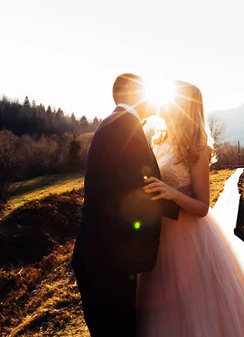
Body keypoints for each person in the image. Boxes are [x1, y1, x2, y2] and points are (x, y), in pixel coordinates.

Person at [137, 80, 244, 337]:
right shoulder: (159, 139)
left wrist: (172, 193)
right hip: (159, 234)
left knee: (192, 307)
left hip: (189, 236)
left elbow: (203, 206)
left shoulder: (197, 149)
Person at [71, 74, 179, 337]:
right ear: (133, 94)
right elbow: (140, 190)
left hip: (105, 258)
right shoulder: (122, 128)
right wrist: (182, 208)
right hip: (107, 263)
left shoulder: (118, 124)